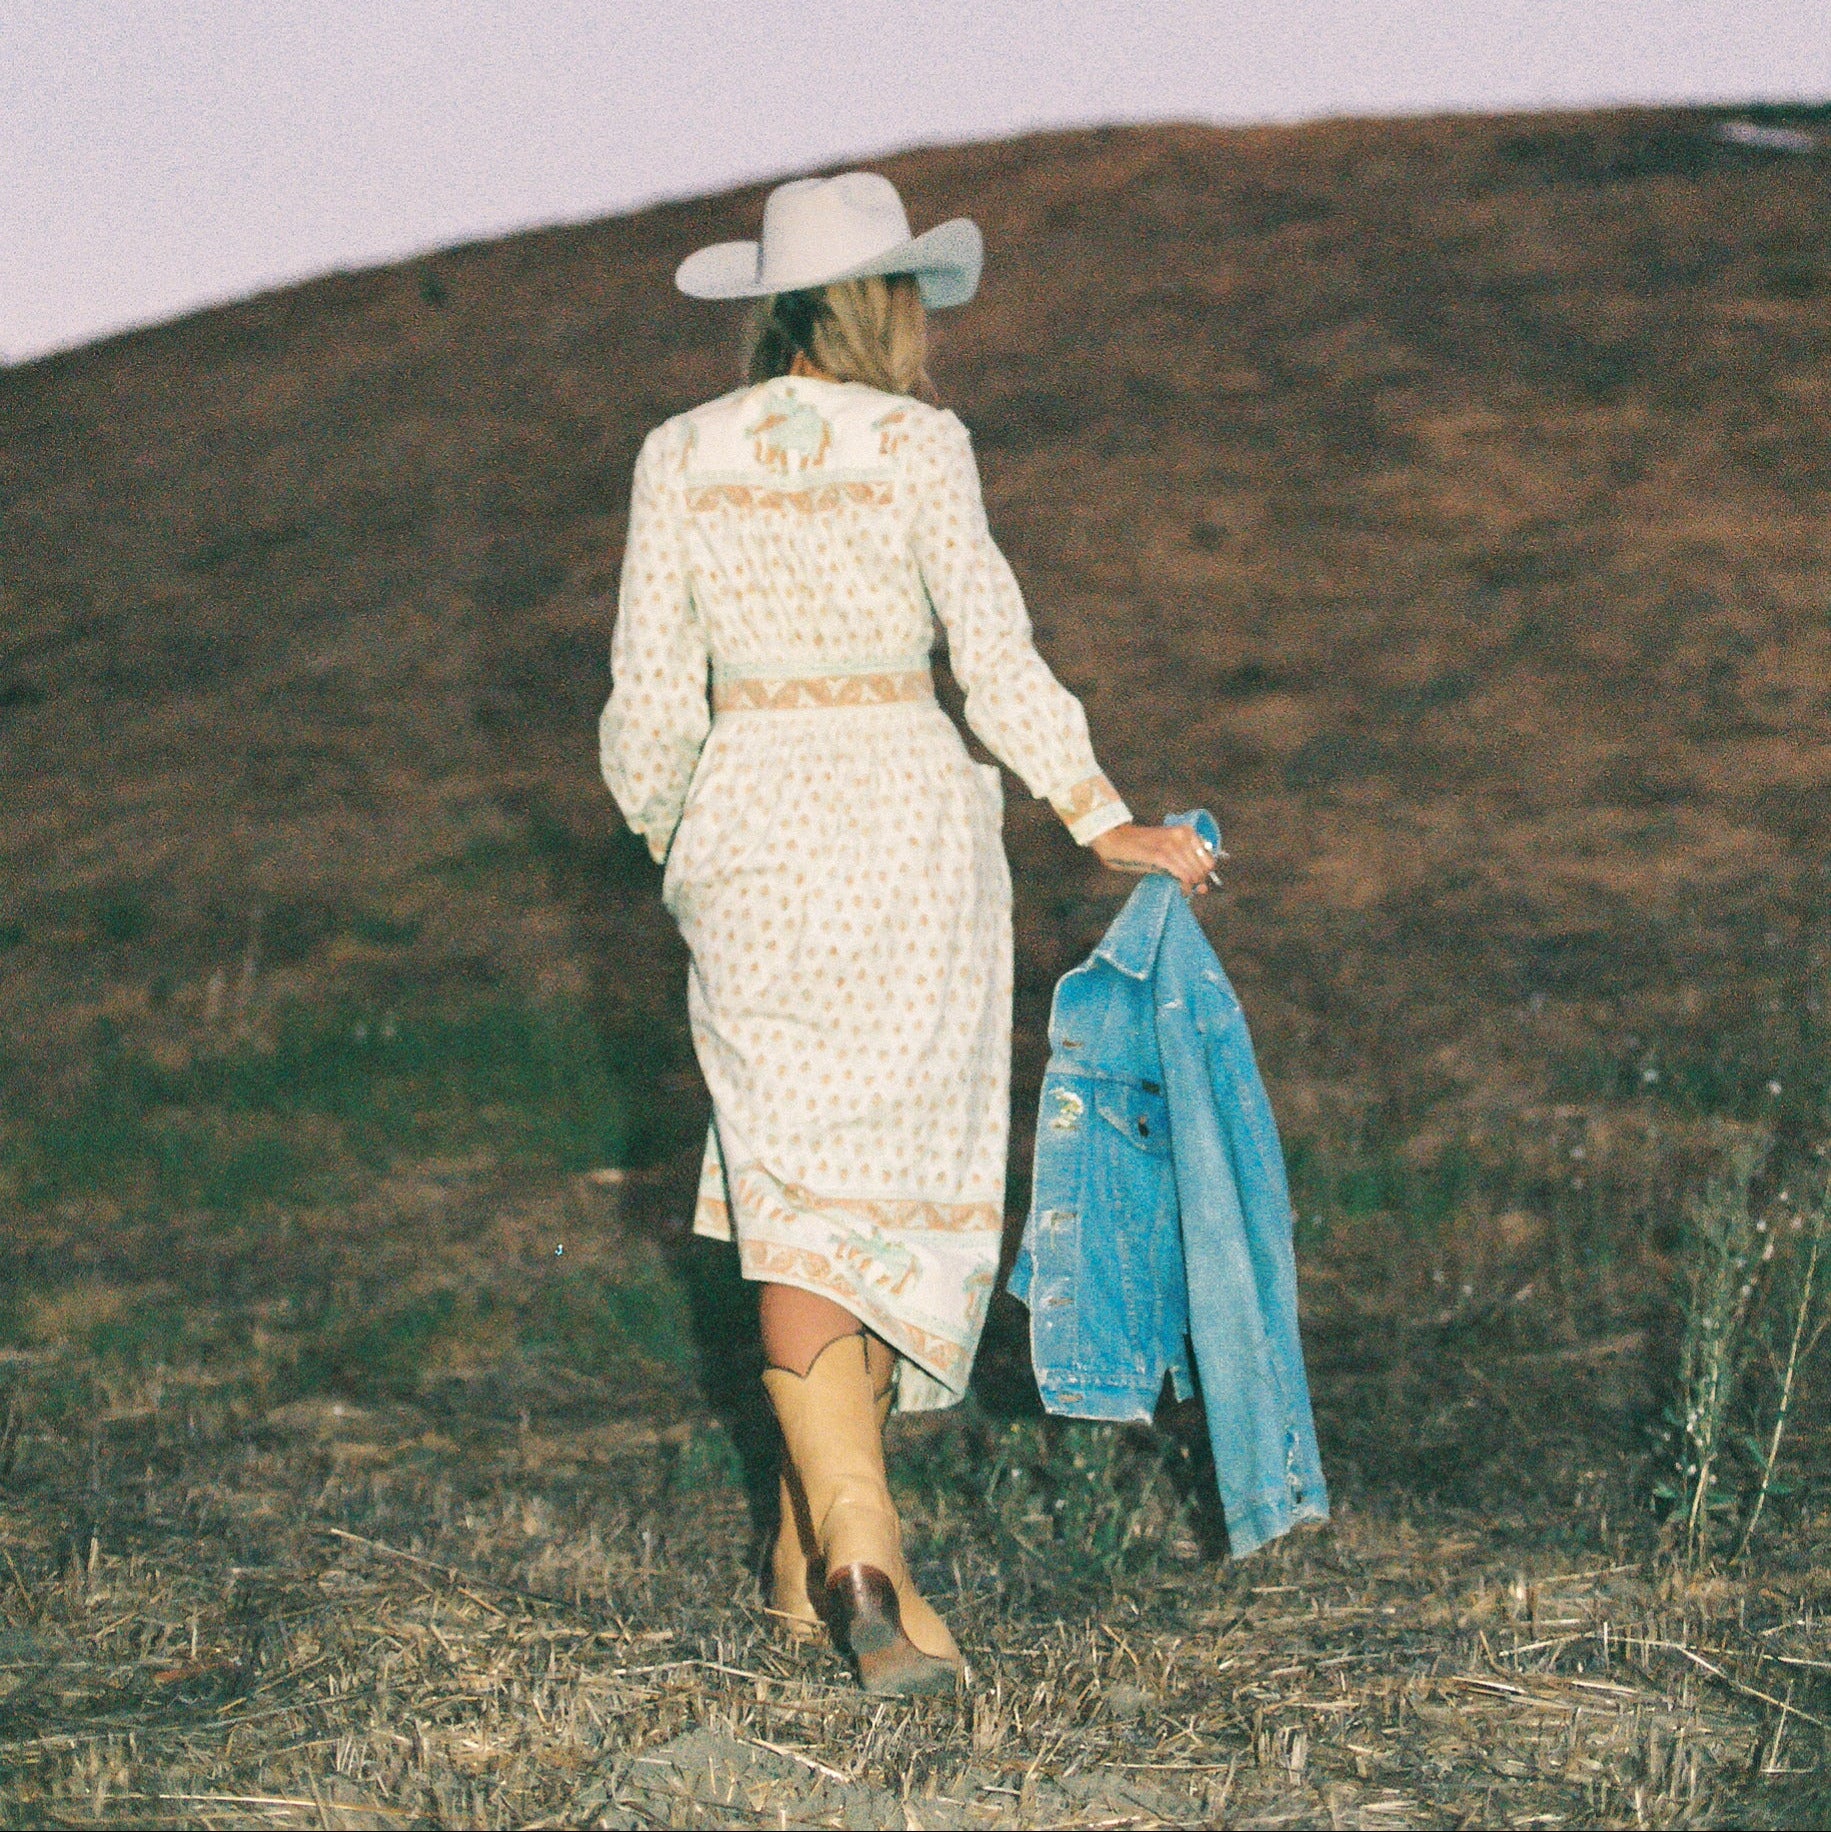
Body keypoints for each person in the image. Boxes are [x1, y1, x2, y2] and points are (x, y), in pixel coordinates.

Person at [599, 171, 1216, 1695]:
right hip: (911, 838)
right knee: (881, 1189)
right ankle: (864, 1554)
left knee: (793, 1192)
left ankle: (818, 1559)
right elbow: (993, 656)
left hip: (754, 828)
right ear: (880, 302)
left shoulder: (679, 455)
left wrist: (684, 843)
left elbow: (646, 708)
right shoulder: (922, 446)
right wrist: (1098, 813)